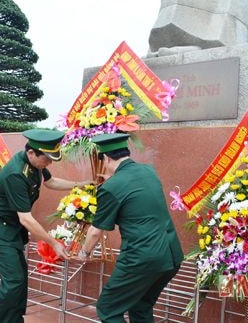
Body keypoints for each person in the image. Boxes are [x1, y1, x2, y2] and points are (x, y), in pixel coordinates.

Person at [0, 128, 92, 323]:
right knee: (13, 281)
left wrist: (80, 184)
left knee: (20, 279)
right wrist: (53, 243)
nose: (49, 163)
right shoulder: (16, 174)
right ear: (31, 153)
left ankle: (14, 320)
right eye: (47, 159)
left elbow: (52, 181)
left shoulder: (35, 164)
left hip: (10, 227)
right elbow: (26, 219)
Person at [78, 133, 184, 323]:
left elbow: (95, 231)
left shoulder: (110, 187)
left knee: (108, 308)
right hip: (171, 255)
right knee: (140, 305)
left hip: (141, 258)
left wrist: (84, 253)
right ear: (126, 152)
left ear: (107, 158)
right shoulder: (148, 171)